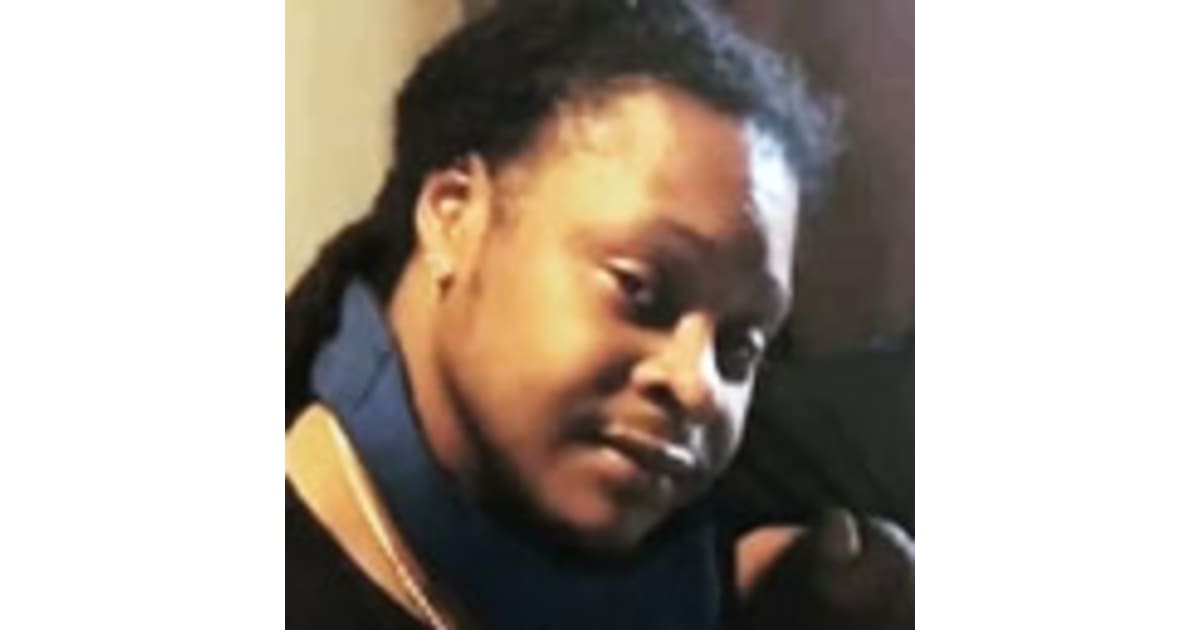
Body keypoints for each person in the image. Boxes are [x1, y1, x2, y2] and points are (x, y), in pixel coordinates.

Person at [285, 1, 860, 628]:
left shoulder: (717, 570)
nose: (699, 388)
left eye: (740, 347)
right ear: (454, 215)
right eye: (640, 290)